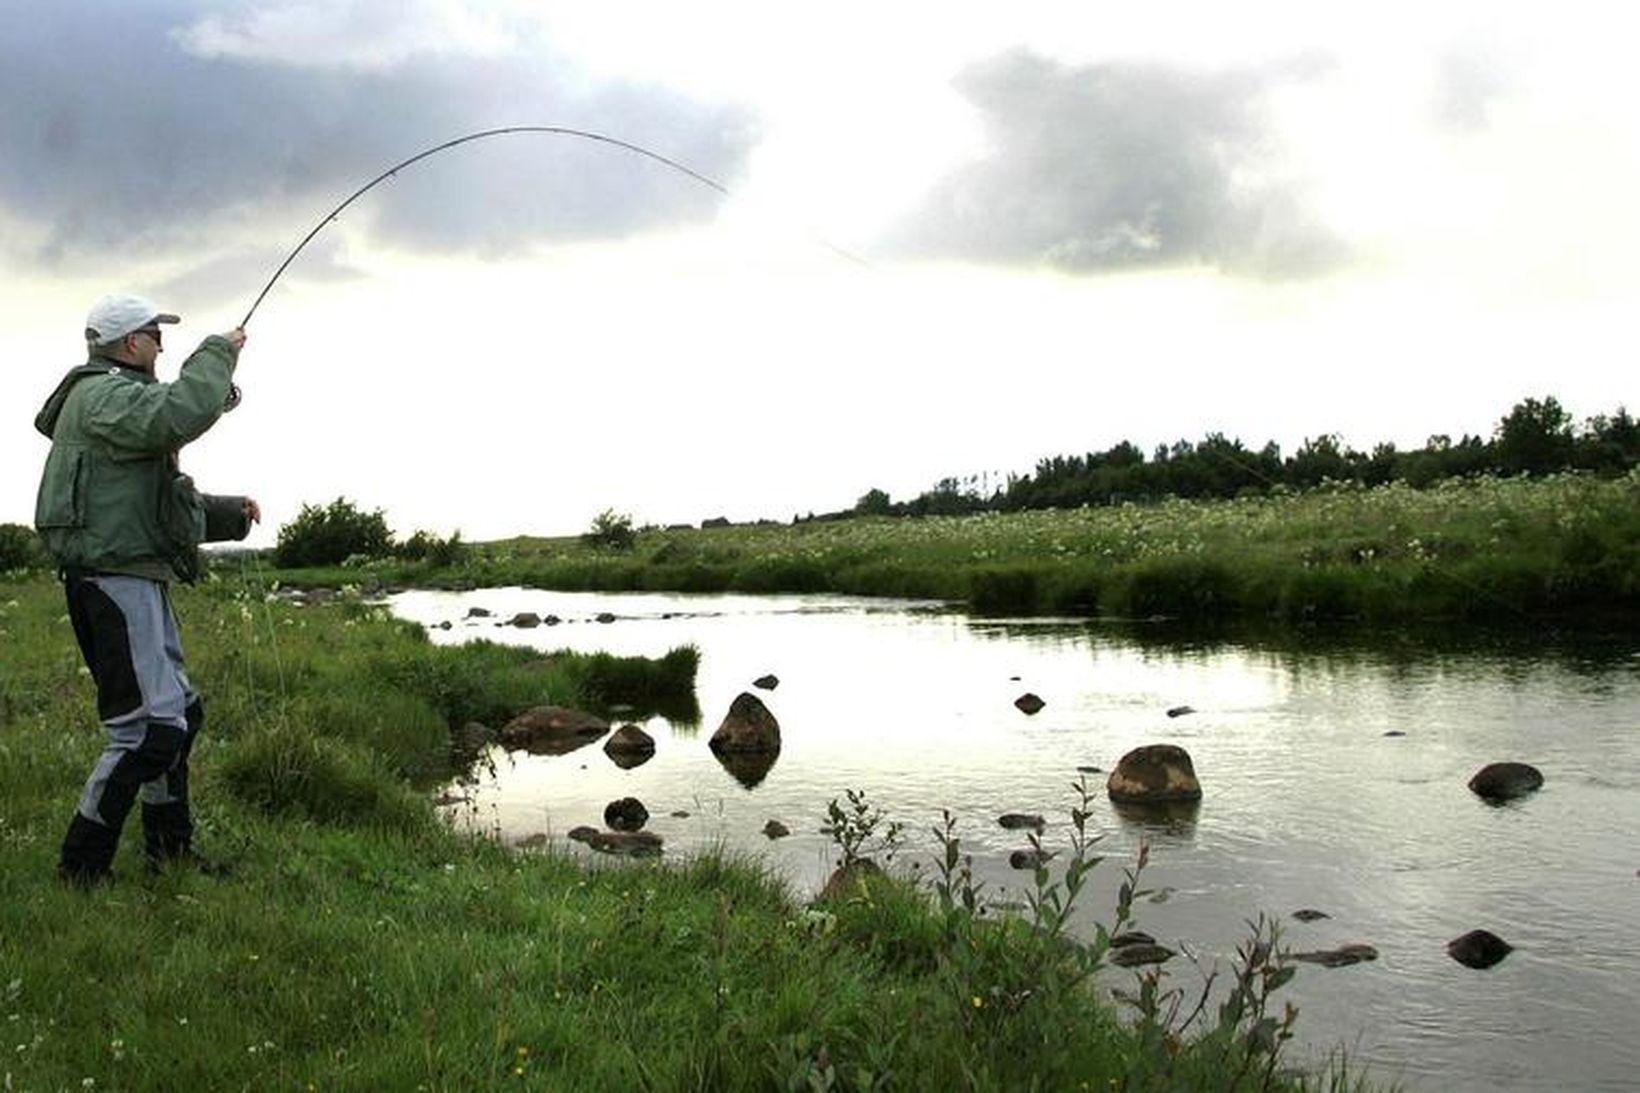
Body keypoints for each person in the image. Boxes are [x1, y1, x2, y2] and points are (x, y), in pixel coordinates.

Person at [33, 293, 259, 885]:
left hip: (132, 578)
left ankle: (170, 852)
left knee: (181, 715)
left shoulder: (112, 400)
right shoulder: (104, 396)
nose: (163, 345)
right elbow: (176, 413)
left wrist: (229, 515)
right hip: (114, 584)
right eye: (157, 335)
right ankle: (80, 867)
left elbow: (148, 507)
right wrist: (219, 351)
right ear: (131, 343)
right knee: (146, 731)